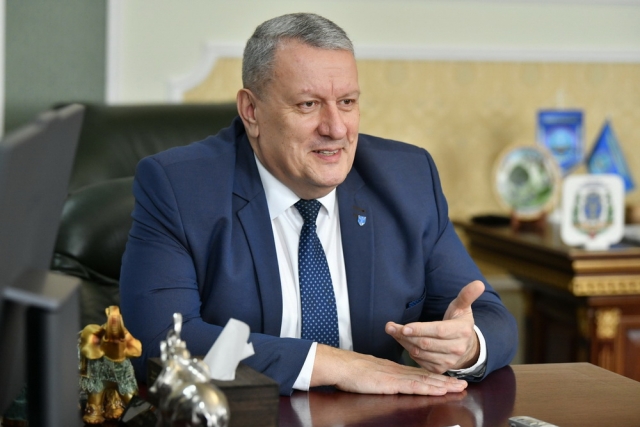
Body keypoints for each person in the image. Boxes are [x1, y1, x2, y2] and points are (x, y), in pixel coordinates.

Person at [120, 12, 517, 396]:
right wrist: (333, 365)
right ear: (251, 111)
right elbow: (159, 342)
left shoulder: (407, 179)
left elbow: (490, 317)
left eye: (347, 102)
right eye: (308, 105)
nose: (336, 128)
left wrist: (467, 345)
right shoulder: (179, 187)